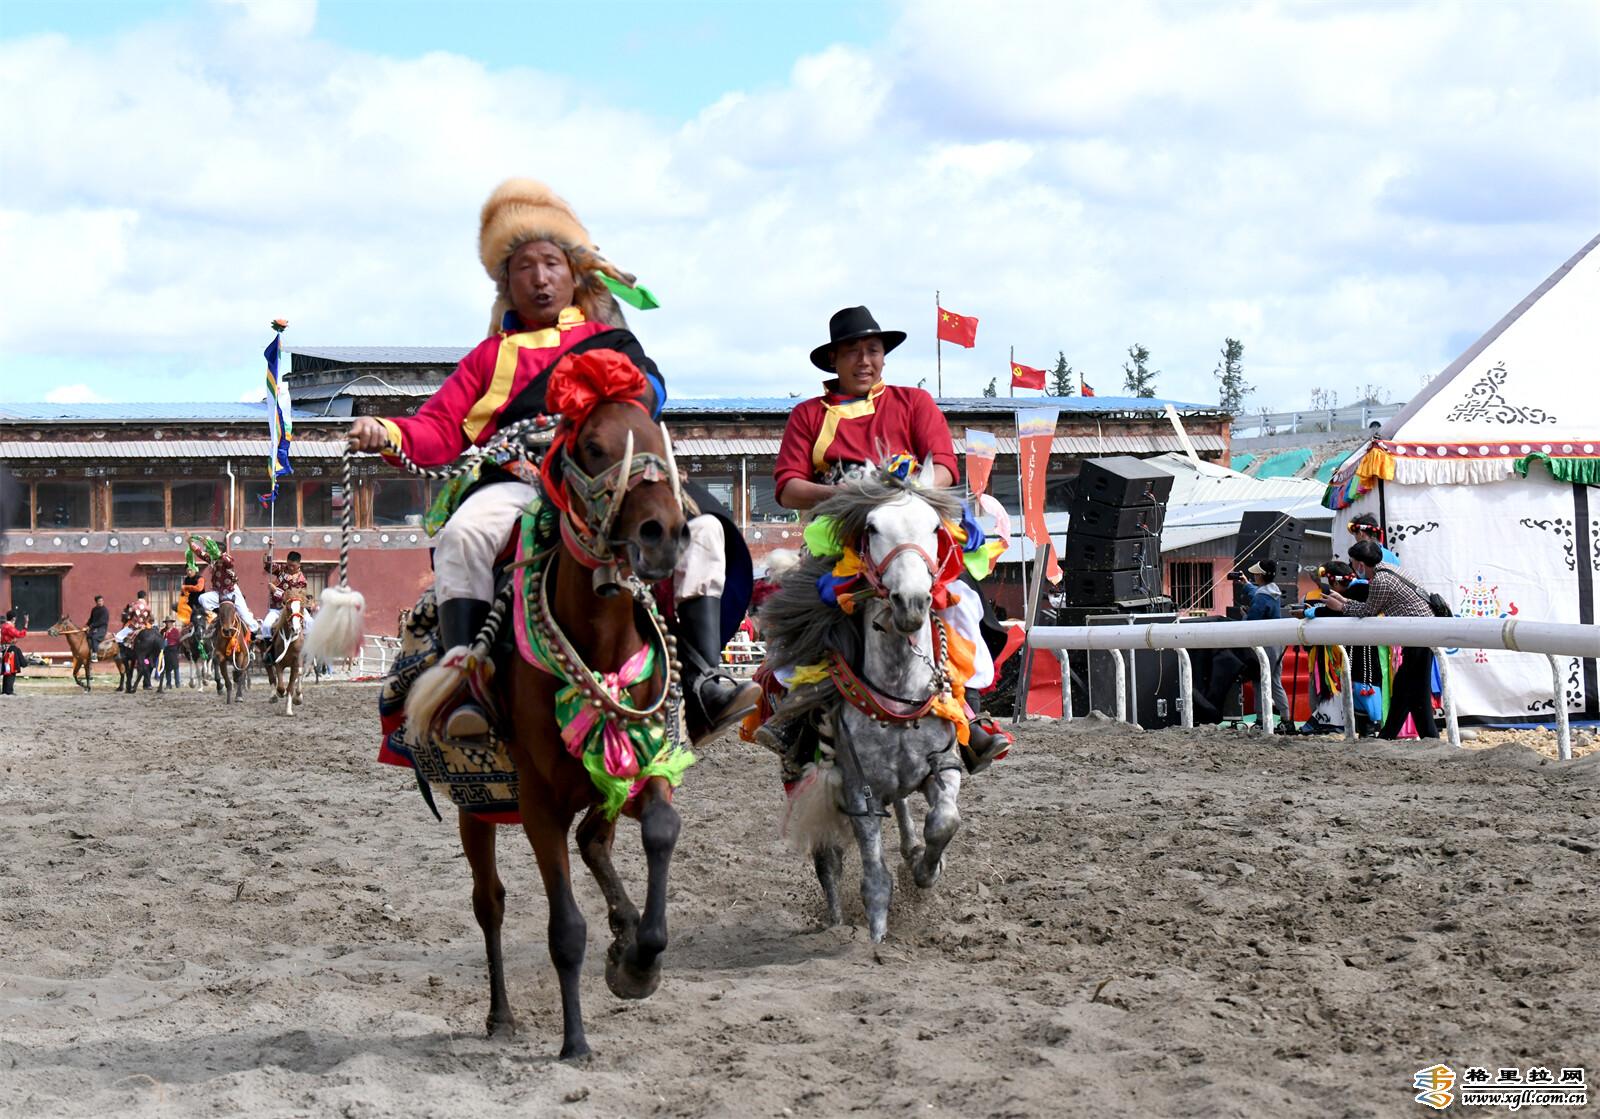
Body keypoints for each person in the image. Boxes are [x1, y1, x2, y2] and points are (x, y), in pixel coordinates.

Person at [343, 178, 756, 745]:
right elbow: (440, 427)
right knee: (464, 533)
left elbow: (652, 392)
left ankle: (704, 682)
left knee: (703, 530)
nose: (540, 278)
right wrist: (387, 431)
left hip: (605, 478)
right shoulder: (490, 356)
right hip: (520, 478)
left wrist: (609, 386)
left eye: (552, 264)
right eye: (525, 267)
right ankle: (467, 688)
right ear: (507, 283)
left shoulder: (608, 339)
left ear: (573, 276)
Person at [760, 305, 1012, 777]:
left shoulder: (913, 402)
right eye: (852, 352)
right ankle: (794, 720)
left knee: (962, 601)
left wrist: (908, 492)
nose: (864, 361)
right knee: (798, 615)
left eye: (873, 350)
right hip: (840, 537)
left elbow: (944, 465)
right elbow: (788, 486)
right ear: (833, 360)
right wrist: (848, 495)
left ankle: (971, 714)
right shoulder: (809, 415)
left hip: (907, 530)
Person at [1325, 540, 1438, 740]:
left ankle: (1410, 736)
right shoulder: (1389, 570)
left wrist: (1341, 606)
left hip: (1419, 637)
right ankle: (1401, 736)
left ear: (1361, 564)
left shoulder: (1380, 580)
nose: (1352, 567)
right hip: (1422, 634)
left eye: (1353, 563)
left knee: (1411, 690)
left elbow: (1368, 611)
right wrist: (1345, 601)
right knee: (1406, 689)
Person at [194, 543, 259, 632]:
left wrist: (220, 555)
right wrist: (191, 543)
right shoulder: (213, 560)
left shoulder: (227, 558)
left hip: (232, 591)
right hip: (219, 593)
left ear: (219, 551)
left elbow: (229, 563)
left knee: (246, 616)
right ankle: (214, 618)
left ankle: (255, 633)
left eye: (211, 550)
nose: (209, 552)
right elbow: (200, 553)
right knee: (202, 598)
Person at [258, 545, 311, 639]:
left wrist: (275, 590)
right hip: (277, 608)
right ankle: (268, 646)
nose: (290, 568)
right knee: (266, 626)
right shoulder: (282, 569)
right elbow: (268, 565)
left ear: (299, 565)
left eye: (293, 566)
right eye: (289, 564)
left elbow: (292, 598)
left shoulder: (301, 581)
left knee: (310, 623)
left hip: (294, 609)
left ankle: (307, 644)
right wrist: (270, 548)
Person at [1, 608, 27, 695]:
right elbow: (20, 634)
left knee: (7, 670)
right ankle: (9, 691)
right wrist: (26, 624)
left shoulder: (4, 626)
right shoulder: (9, 627)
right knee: (11, 670)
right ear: (14, 618)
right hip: (10, 651)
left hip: (5, 649)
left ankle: (5, 690)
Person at [161, 618, 182, 688]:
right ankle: (168, 684)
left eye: (169, 622)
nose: (168, 624)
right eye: (167, 622)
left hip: (174, 650)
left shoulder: (176, 631)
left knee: (176, 667)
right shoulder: (163, 631)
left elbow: (179, 641)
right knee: (167, 668)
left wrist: (178, 651)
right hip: (166, 651)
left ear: (172, 623)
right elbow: (160, 640)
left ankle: (177, 683)